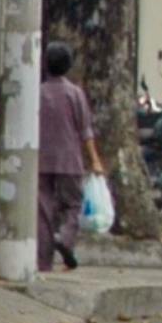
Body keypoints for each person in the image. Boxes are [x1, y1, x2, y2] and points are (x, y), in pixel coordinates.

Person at [36, 41, 105, 274]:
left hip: (41, 160)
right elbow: (85, 130)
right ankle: (65, 238)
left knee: (43, 210)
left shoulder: (38, 93)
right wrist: (94, 159)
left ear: (46, 64)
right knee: (73, 204)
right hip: (69, 158)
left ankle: (43, 262)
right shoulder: (75, 93)